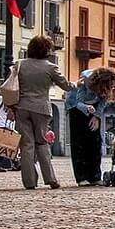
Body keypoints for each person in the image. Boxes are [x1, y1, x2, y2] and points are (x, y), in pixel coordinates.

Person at [15, 34, 75, 190]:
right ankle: (50, 179)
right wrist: (78, 84)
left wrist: (10, 107)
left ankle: (29, 182)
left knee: (26, 145)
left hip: (21, 107)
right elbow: (66, 85)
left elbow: (10, 86)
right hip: (41, 108)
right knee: (41, 142)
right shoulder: (50, 67)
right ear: (47, 50)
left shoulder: (19, 65)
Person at [65, 67, 115, 186]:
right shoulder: (85, 81)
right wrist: (87, 109)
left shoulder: (107, 86)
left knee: (95, 141)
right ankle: (81, 177)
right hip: (76, 106)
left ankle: (95, 176)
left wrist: (97, 116)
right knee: (79, 143)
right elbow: (79, 101)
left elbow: (103, 101)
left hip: (93, 106)